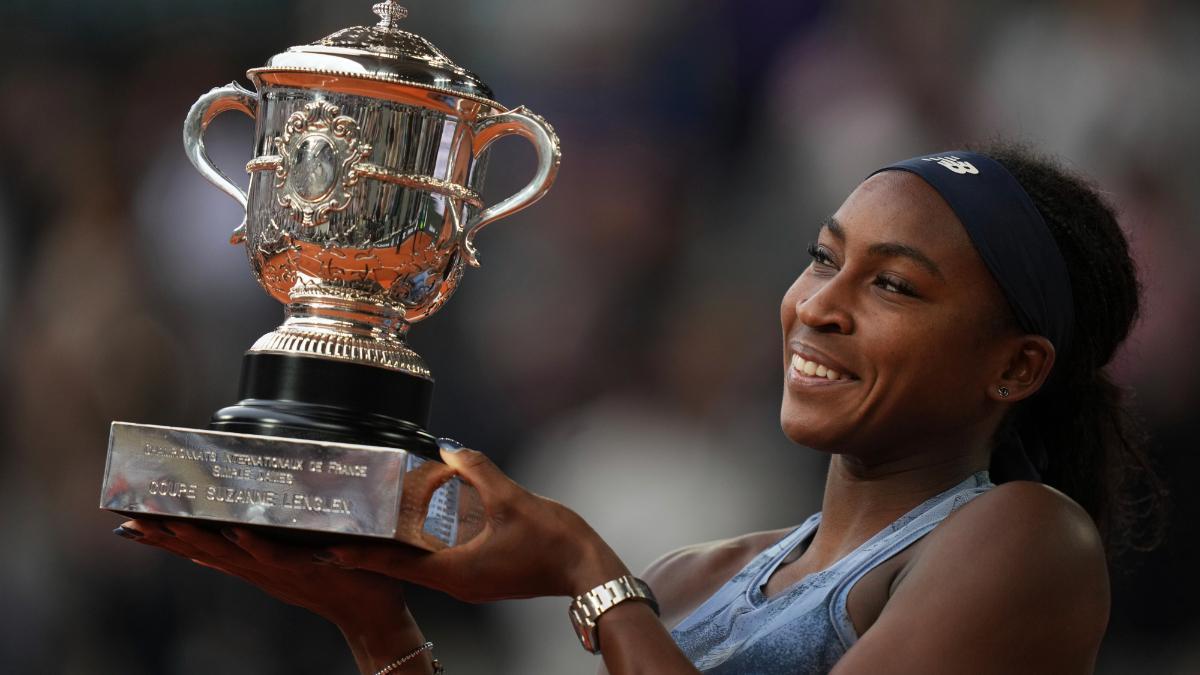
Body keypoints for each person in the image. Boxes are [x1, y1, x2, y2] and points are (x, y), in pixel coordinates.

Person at [116, 143, 1163, 674]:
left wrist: (587, 569)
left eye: (891, 285)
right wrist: (376, 624)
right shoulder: (692, 579)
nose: (819, 309)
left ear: (1015, 369)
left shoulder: (1029, 539)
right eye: (822, 259)